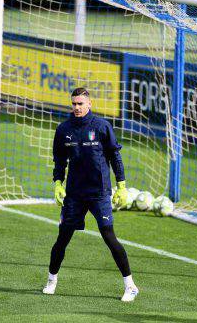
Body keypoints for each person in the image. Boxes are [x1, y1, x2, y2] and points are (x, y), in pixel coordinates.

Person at [42, 87, 139, 302]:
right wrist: (58, 183)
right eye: (74, 104)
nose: (77, 107)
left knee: (109, 237)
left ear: (89, 104)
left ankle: (130, 286)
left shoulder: (102, 127)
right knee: (62, 239)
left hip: (99, 193)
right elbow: (59, 161)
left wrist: (121, 186)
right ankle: (51, 280)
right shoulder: (63, 129)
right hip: (75, 195)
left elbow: (115, 157)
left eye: (80, 104)